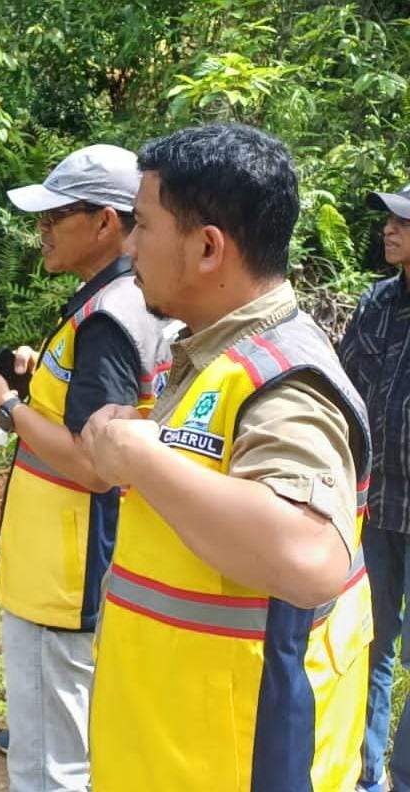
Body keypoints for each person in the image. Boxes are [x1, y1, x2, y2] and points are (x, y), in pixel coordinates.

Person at [81, 124, 372, 790]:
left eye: (142, 225)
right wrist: (142, 445)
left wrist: (138, 457)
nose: (128, 246)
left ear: (208, 247)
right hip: (172, 757)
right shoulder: (212, 353)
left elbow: (309, 556)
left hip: (235, 767)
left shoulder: (285, 379)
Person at [0, 144, 170, 790]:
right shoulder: (124, 300)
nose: (42, 229)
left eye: (55, 216)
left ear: (105, 222)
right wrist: (35, 381)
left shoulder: (107, 318)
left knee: (50, 767)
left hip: (64, 577)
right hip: (74, 566)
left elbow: (96, 464)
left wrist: (6, 407)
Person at [340, 183, 410, 792]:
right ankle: (367, 777)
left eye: (403, 222)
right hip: (376, 504)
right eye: (389, 220)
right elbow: (347, 386)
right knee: (369, 640)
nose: (389, 229)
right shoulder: (377, 302)